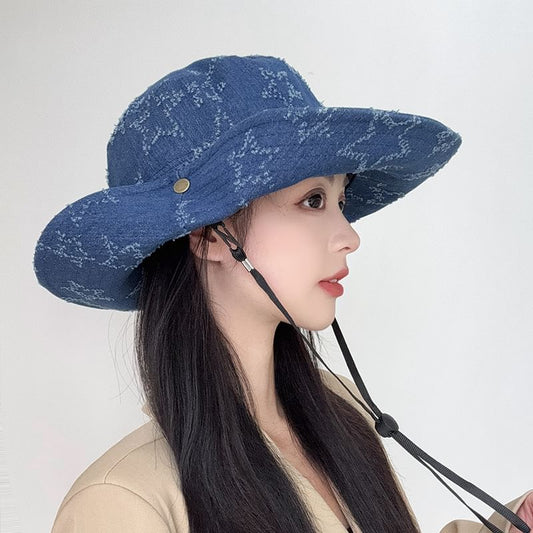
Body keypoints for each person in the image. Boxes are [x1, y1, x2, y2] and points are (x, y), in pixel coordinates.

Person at [33, 54, 532, 533]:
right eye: (312, 200)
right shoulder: (122, 501)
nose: (349, 236)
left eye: (340, 200)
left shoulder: (340, 409)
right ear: (207, 234)